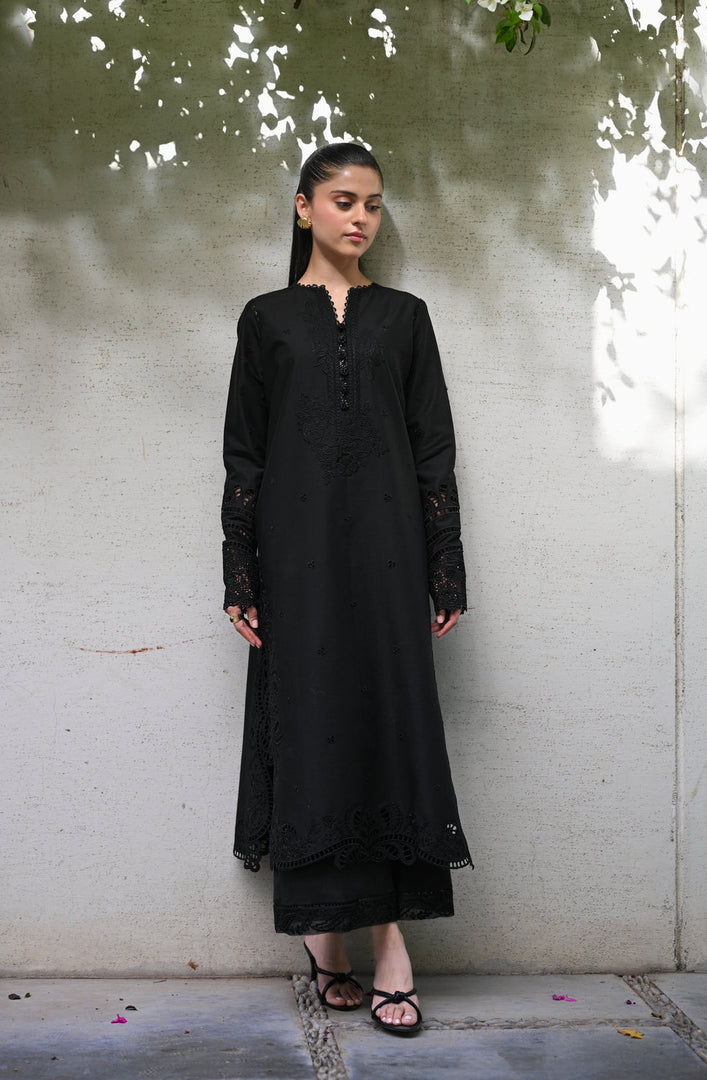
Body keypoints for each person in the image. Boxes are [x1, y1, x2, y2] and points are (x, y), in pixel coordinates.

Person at [222, 142, 471, 1036]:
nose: (360, 217)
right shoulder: (265, 319)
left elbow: (433, 447)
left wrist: (444, 563)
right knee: (312, 725)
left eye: (372, 203)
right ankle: (324, 936)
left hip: (390, 554)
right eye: (342, 200)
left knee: (387, 726)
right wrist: (239, 569)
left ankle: (390, 945)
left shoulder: (405, 317)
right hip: (294, 559)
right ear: (304, 208)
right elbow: (244, 452)